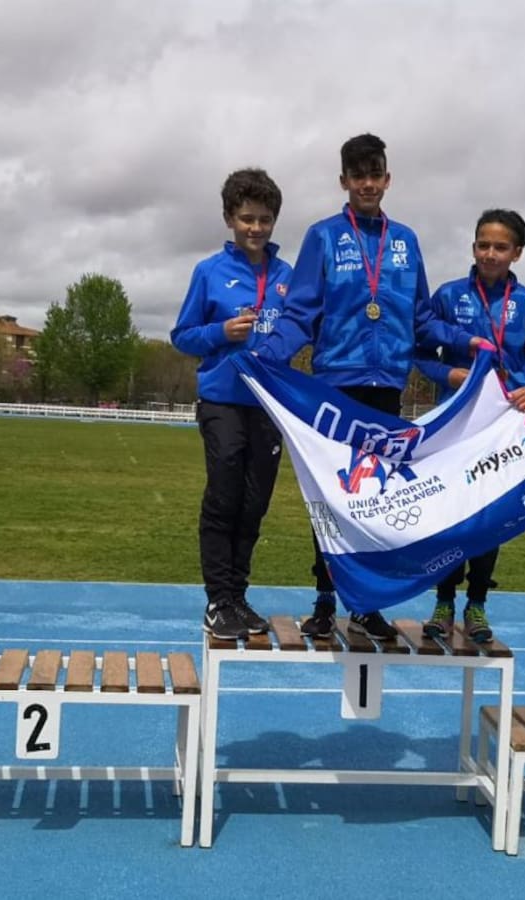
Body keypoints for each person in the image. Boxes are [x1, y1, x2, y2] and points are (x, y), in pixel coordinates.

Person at [256, 133, 488, 641]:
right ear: (343, 181)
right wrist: (266, 353)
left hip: (386, 389)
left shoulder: (405, 241)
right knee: (331, 501)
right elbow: (300, 313)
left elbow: (422, 319)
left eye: (374, 173)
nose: (367, 183)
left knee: (375, 502)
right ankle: (323, 599)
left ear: (387, 178)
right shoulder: (322, 236)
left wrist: (468, 341)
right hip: (335, 388)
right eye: (357, 174)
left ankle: (364, 605)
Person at [415, 208, 525, 643]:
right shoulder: (446, 296)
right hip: (455, 424)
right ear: (473, 246)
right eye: (483, 244)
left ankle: (476, 604)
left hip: (504, 426)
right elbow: (419, 354)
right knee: (451, 515)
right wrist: (449, 375)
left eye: (501, 247)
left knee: (491, 515)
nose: (490, 254)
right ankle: (443, 602)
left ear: (517, 252)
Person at [171, 168, 293, 640]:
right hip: (222, 400)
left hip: (268, 405)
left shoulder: (287, 276)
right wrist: (221, 333)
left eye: (264, 219)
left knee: (254, 504)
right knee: (223, 499)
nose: (256, 228)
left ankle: (238, 598)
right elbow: (182, 335)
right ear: (228, 218)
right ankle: (217, 599)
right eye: (246, 218)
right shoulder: (208, 272)